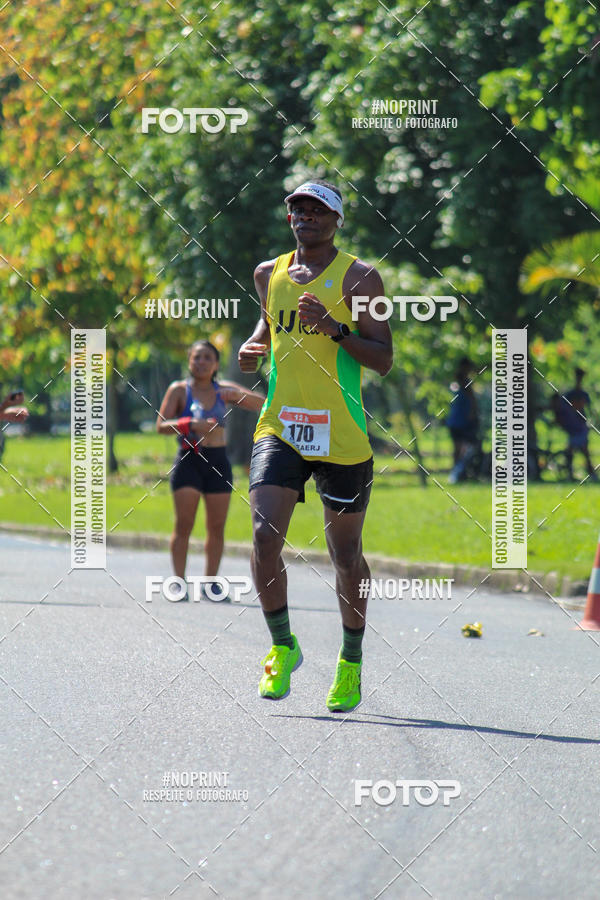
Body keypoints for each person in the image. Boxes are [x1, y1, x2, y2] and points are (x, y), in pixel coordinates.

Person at [238, 178, 393, 712]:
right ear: (290, 219)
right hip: (280, 426)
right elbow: (268, 329)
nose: (306, 217)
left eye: (317, 210)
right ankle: (283, 646)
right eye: (298, 210)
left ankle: (350, 661)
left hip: (342, 432)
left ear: (336, 220)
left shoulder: (360, 278)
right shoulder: (269, 273)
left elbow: (382, 358)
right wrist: (254, 346)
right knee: (264, 538)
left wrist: (334, 329)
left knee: (345, 555)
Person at [156, 340, 265, 601]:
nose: (201, 362)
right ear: (189, 361)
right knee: (184, 524)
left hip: (218, 462)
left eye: (207, 358)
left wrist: (236, 395)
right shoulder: (179, 390)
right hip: (188, 461)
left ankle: (211, 583)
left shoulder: (223, 390)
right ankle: (178, 582)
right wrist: (190, 424)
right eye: (197, 357)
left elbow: (262, 403)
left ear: (216, 364)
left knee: (216, 527)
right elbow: (161, 425)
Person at [555, 367, 596, 481]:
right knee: (573, 451)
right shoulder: (570, 394)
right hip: (573, 427)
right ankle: (571, 473)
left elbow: (589, 410)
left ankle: (589, 474)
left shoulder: (583, 394)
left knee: (583, 451)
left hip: (581, 426)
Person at [445, 357, 480, 484]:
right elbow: (472, 401)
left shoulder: (459, 382)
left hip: (458, 421)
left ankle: (458, 472)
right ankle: (458, 472)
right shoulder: (463, 383)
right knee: (462, 449)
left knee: (461, 449)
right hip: (461, 421)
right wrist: (473, 415)